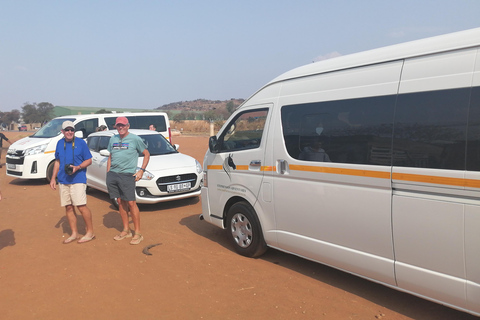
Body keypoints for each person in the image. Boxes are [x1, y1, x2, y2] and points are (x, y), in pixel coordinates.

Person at [50, 121, 95, 244]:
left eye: (72, 130)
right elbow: (57, 162)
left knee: (81, 206)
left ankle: (90, 232)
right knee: (68, 207)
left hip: (78, 179)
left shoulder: (81, 143)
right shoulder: (59, 143)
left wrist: (78, 167)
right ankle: (74, 233)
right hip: (63, 180)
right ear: (62, 132)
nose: (70, 132)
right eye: (67, 130)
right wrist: (53, 178)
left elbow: (89, 160)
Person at [107, 116, 150, 245]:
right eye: (118, 125)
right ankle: (126, 230)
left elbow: (146, 154)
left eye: (123, 125)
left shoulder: (135, 139)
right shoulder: (112, 139)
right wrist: (108, 172)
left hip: (127, 175)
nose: (120, 128)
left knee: (131, 203)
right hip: (113, 174)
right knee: (120, 202)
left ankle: (138, 233)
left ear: (128, 126)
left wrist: (141, 170)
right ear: (116, 126)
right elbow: (110, 156)